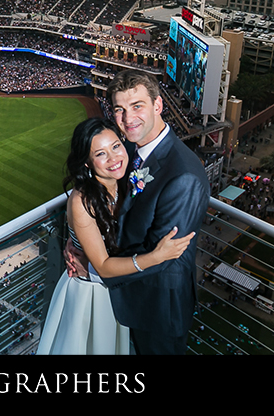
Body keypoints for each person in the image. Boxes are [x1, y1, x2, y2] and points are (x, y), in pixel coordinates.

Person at [68, 69, 208, 355]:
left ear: (158, 106)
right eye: (119, 109)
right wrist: (78, 241)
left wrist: (94, 268)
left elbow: (163, 257)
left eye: (137, 106)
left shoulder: (183, 176)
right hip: (128, 300)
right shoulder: (131, 151)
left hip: (157, 307)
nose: (128, 118)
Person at [38, 118, 194, 355]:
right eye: (100, 154)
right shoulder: (82, 201)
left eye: (116, 146)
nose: (113, 158)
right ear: (88, 163)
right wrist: (157, 256)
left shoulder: (128, 180)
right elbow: (103, 267)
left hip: (118, 293)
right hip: (89, 295)